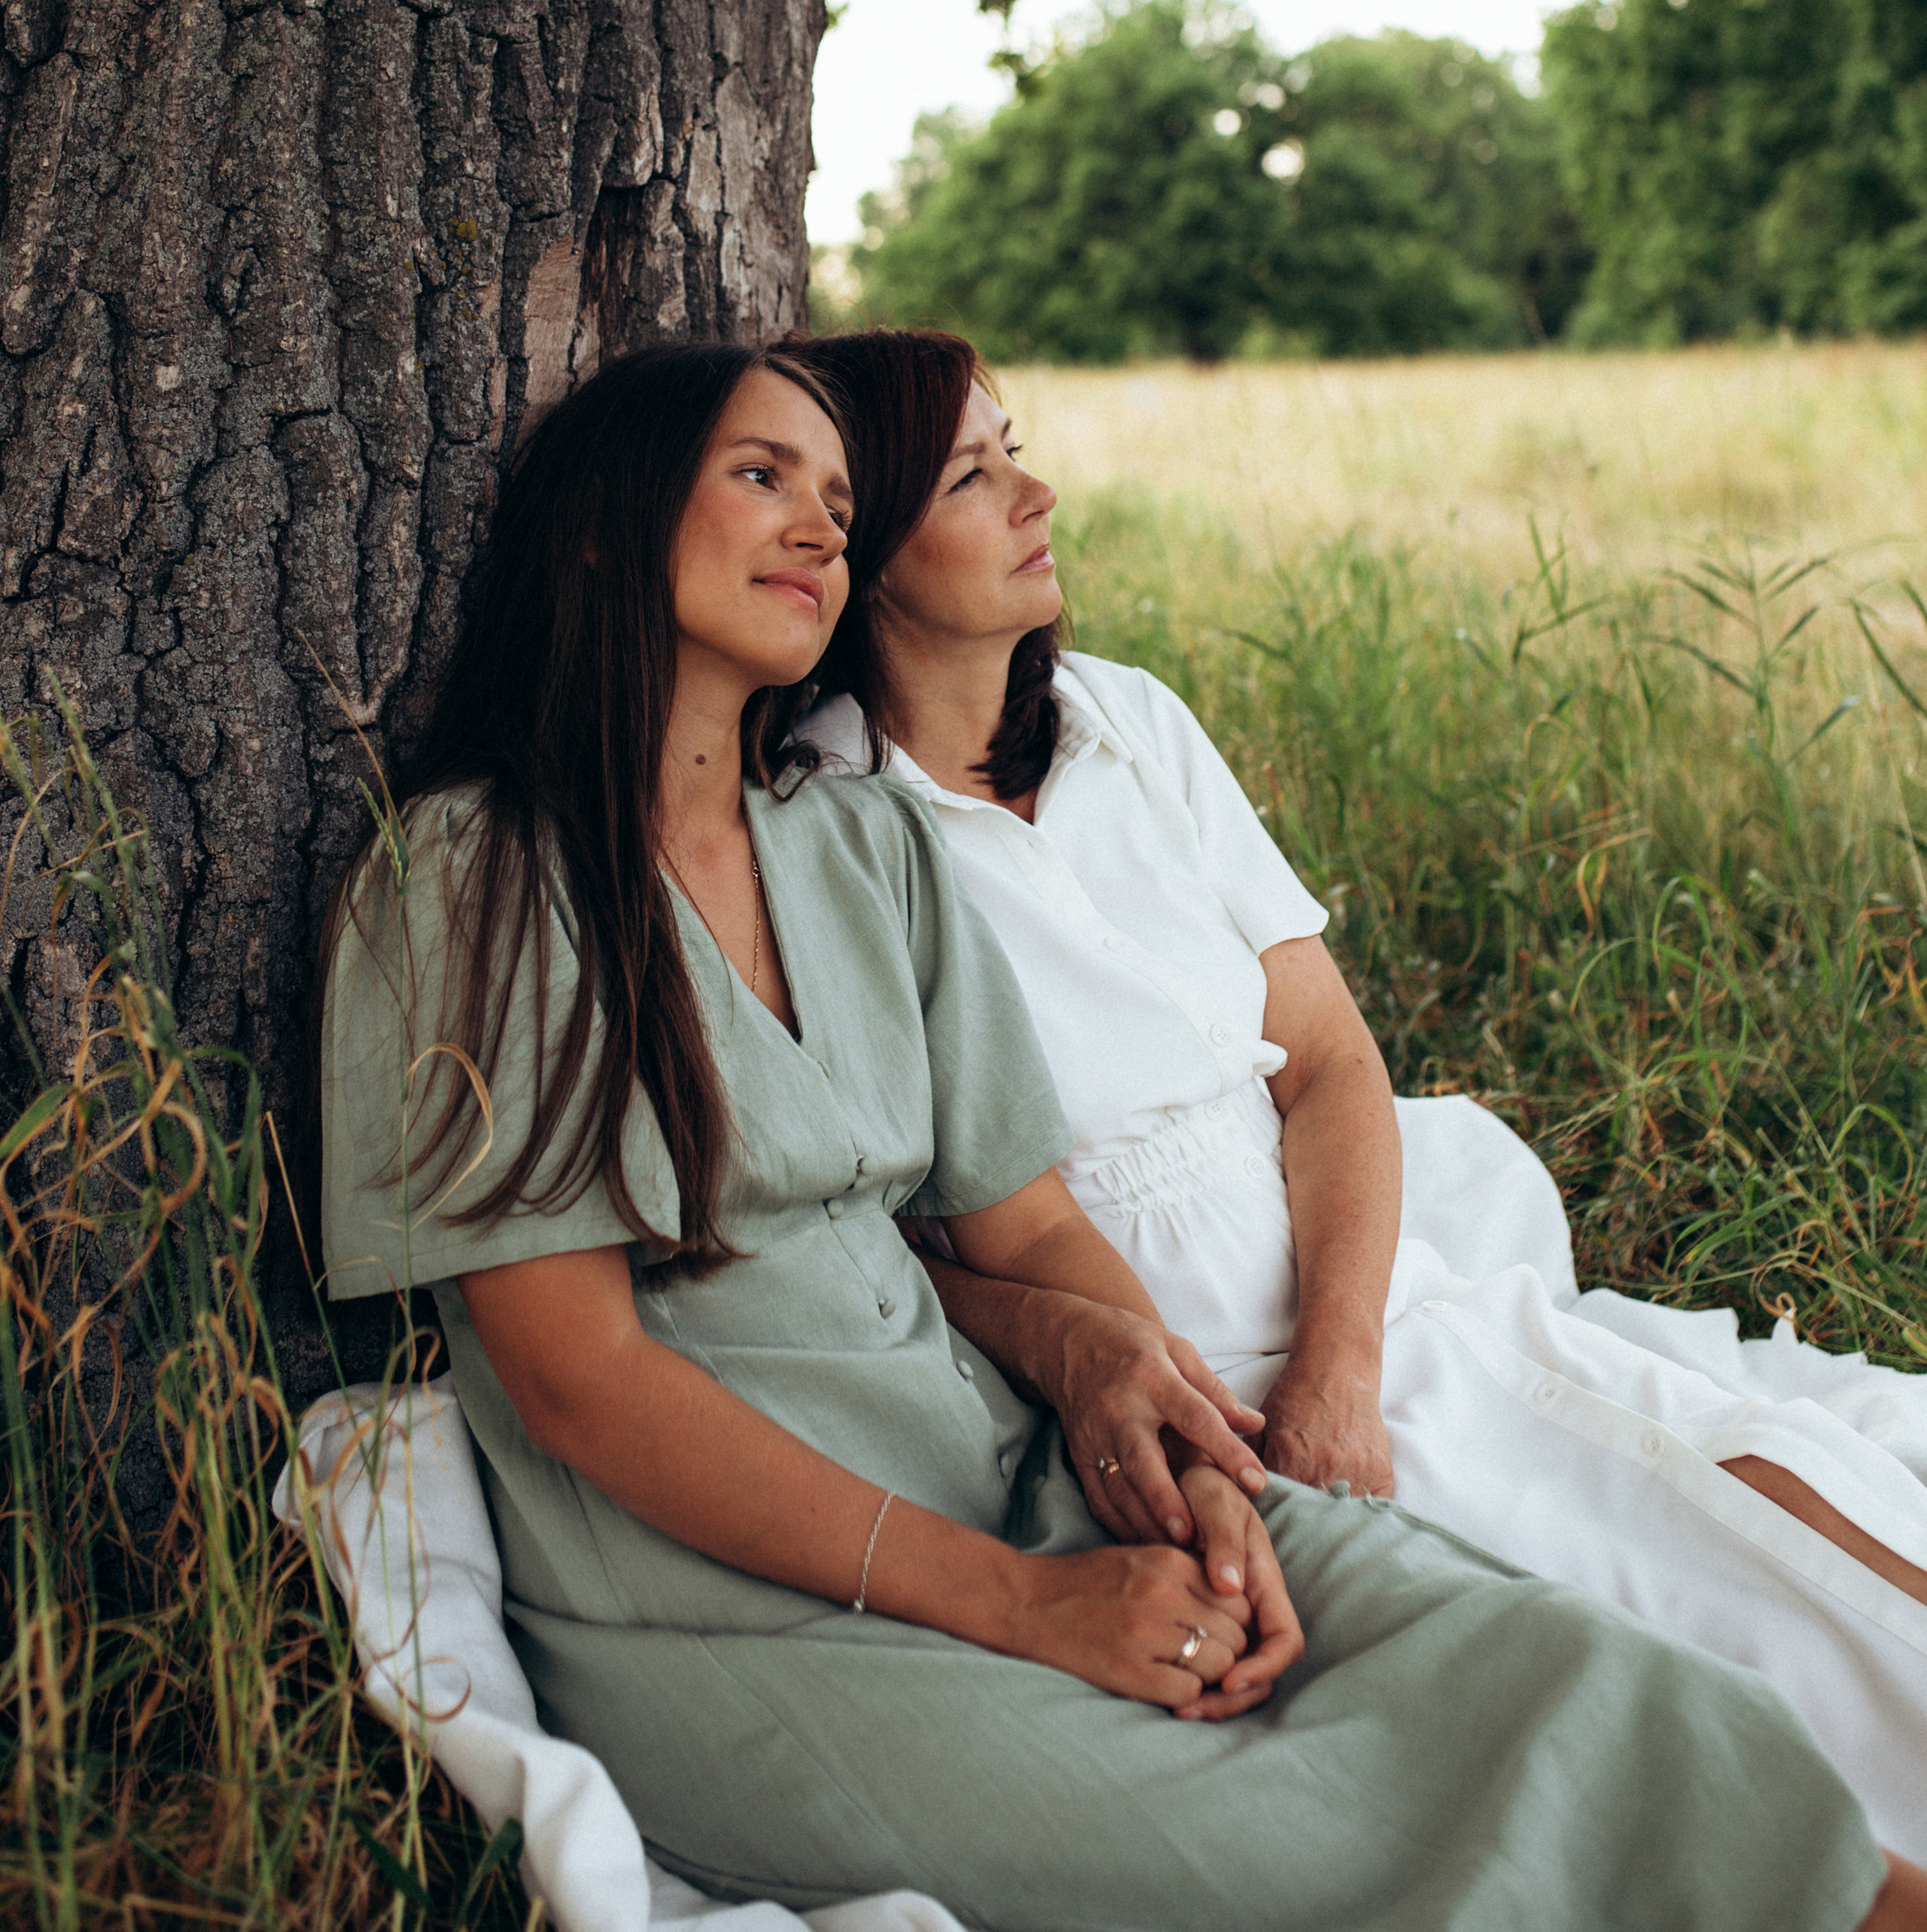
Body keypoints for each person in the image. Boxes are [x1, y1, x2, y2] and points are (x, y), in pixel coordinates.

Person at [315, 344, 1910, 1931]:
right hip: (744, 1612)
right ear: (601, 527)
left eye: (838, 497)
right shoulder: (472, 882)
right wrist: (1026, 1605)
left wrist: (1202, 1466)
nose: (816, 526)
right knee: (1325, 1840)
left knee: (1579, 1676)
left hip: (1014, 1469)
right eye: (759, 476)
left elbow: (1024, 1232)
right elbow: (578, 1380)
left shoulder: (855, 845)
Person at [802, 325, 1927, 1868]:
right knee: (1663, 1630)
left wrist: (1343, 1359)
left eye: (1020, 448)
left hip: (1353, 1292)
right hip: (1154, 1359)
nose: (1036, 492)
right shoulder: (823, 830)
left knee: (1770, 1496)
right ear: (858, 557)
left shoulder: (1130, 722)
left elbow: (1327, 1065)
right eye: (973, 474)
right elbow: (890, 1233)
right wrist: (1197, 1398)